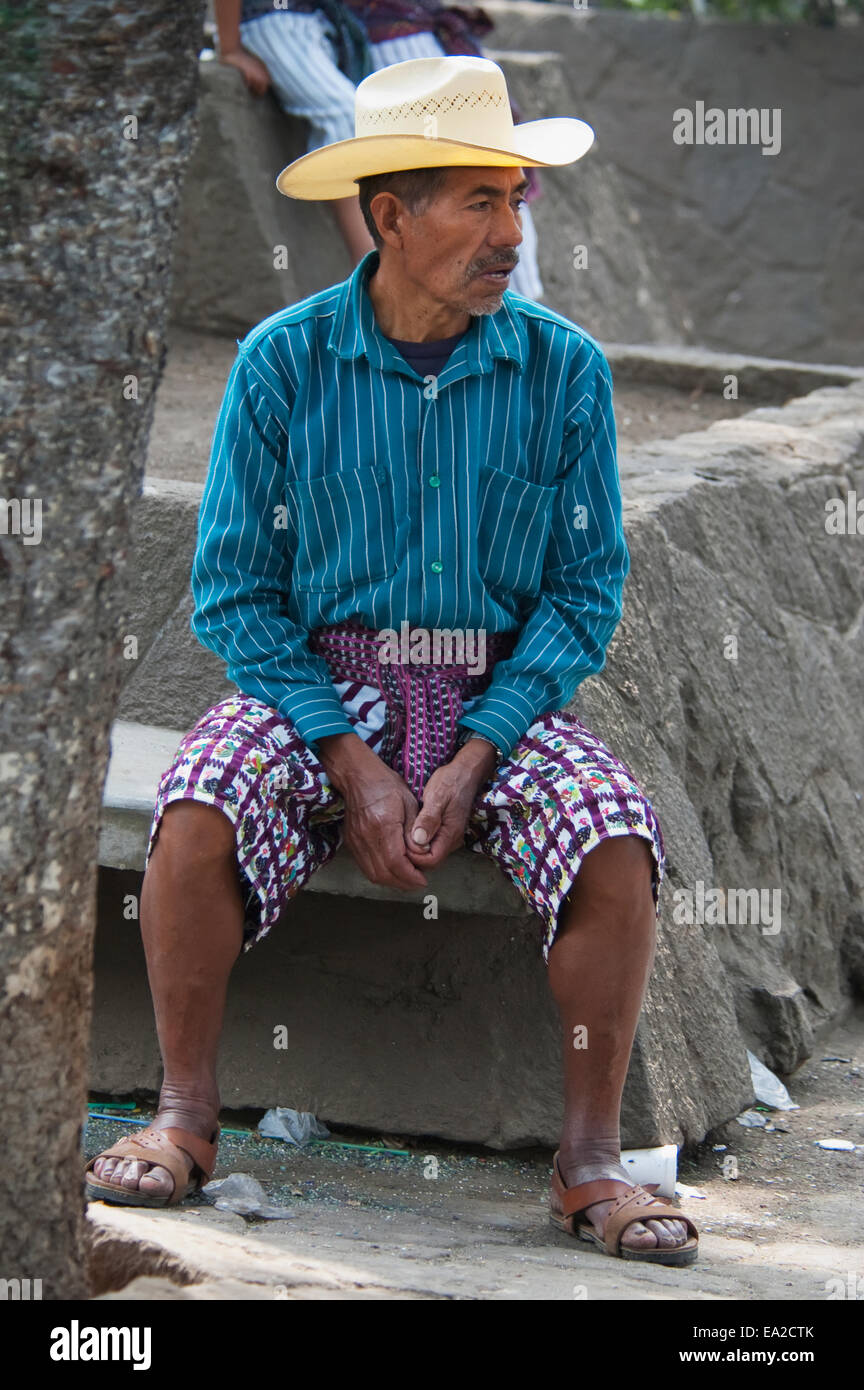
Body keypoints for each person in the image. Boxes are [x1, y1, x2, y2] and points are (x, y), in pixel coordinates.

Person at [85, 55, 699, 1265]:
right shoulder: (283, 364)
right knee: (199, 801)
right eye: (480, 202)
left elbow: (582, 593)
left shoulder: (563, 373)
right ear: (388, 215)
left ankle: (588, 1163)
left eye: (519, 200)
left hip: (495, 694)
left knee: (613, 832)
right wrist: (349, 756)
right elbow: (238, 595)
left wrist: (480, 749)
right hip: (318, 688)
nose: (511, 234)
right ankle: (186, 1115)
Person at [213, 0, 545, 297]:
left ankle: (520, 307)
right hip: (301, 21)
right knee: (351, 121)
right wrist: (229, 47)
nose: (508, 233)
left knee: (489, 158)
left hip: (331, 22)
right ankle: (380, 280)